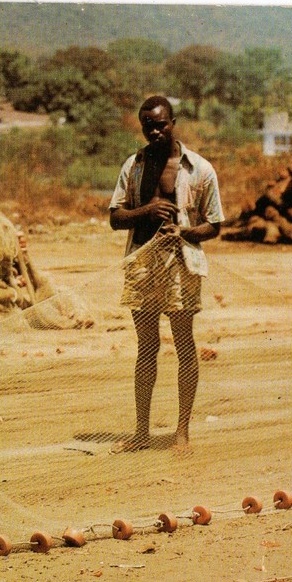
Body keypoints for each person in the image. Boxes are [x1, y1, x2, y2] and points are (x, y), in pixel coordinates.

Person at [108, 95, 223, 455]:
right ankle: (141, 431)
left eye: (161, 124)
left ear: (173, 122)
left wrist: (185, 233)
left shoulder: (199, 169)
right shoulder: (134, 165)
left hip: (180, 264)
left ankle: (181, 432)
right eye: (148, 126)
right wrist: (148, 209)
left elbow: (215, 225)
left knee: (184, 344)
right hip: (142, 262)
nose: (155, 131)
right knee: (147, 347)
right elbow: (115, 217)